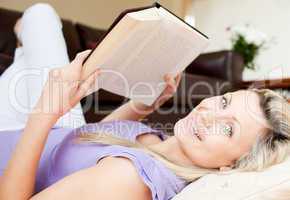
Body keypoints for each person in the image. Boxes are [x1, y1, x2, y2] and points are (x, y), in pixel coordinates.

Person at [0, 3, 290, 200]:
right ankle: (24, 53)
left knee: (39, 20)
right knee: (41, 15)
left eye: (229, 129)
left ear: (232, 165)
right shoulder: (170, 146)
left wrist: (45, 111)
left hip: (18, 145)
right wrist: (143, 105)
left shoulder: (129, 180)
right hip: (55, 133)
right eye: (225, 102)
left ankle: (23, 54)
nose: (209, 115)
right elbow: (90, 141)